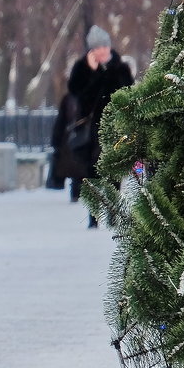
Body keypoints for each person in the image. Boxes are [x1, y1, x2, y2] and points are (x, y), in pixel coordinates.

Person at [66, 24, 134, 227]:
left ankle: (113, 214)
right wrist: (93, 73)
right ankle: (93, 217)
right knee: (91, 172)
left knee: (114, 170)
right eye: (97, 48)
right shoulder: (82, 68)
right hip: (91, 129)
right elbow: (77, 95)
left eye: (104, 47)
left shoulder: (121, 68)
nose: (102, 51)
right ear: (91, 50)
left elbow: (126, 93)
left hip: (115, 127)